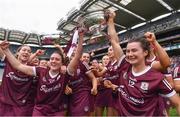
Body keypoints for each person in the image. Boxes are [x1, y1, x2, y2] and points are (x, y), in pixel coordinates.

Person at [104, 10, 180, 116]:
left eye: (134, 50)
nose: (130, 54)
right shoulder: (124, 66)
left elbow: (177, 102)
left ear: (145, 52)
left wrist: (154, 42)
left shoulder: (157, 77)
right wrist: (111, 20)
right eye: (128, 51)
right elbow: (114, 41)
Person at [0, 28, 84, 116]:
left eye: (57, 59)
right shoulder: (40, 71)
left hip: (50, 110)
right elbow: (18, 65)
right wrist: (6, 50)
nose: (54, 61)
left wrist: (81, 37)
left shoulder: (64, 73)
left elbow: (77, 57)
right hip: (31, 108)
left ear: (62, 63)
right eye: (51, 59)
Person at [0, 45, 37, 116]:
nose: (26, 52)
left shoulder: (32, 69)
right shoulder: (9, 62)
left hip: (21, 106)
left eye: (29, 51)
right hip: (5, 103)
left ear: (30, 55)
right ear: (17, 53)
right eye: (24, 50)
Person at [65, 52, 98, 116]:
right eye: (72, 55)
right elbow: (63, 80)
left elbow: (93, 78)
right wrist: (66, 86)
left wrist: (94, 87)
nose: (73, 56)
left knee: (83, 114)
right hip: (72, 95)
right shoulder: (64, 66)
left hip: (83, 92)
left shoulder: (83, 64)